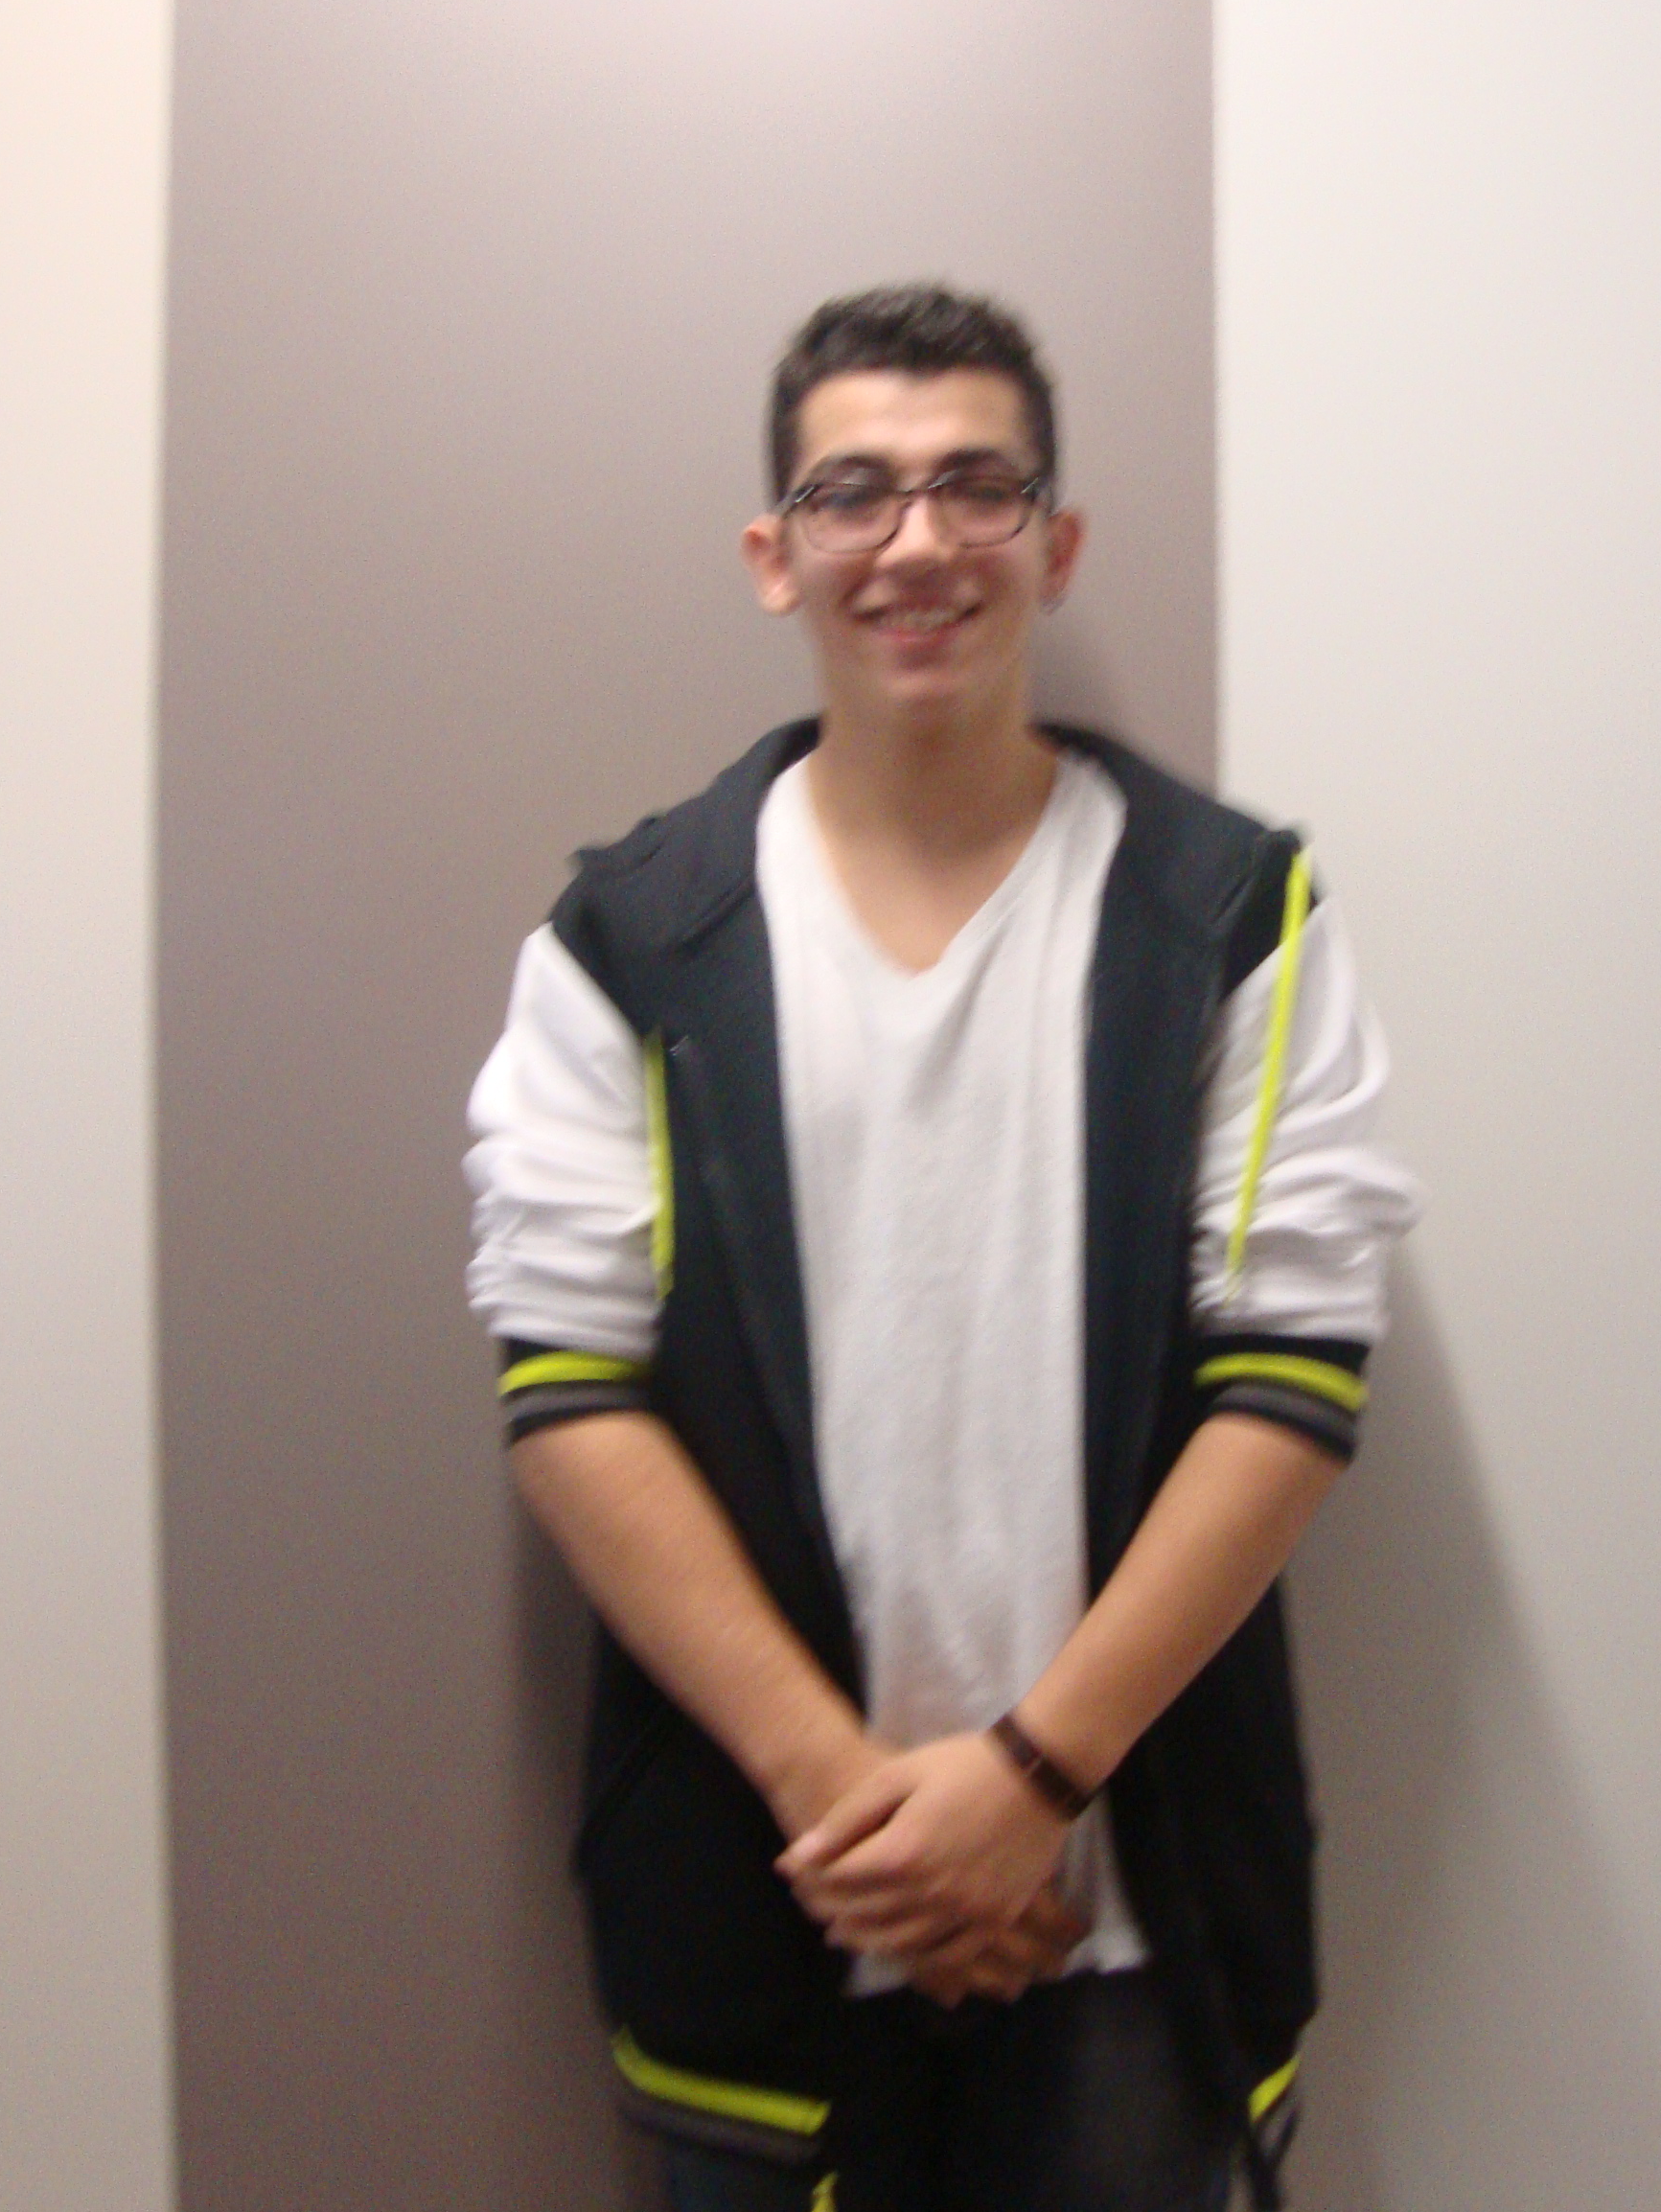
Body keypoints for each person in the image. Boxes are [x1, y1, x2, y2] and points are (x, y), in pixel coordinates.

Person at [465, 285, 1415, 2212]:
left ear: (1056, 546)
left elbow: (1293, 1379)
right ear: (776, 554)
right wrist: (862, 1812)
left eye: (980, 487)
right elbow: (567, 1387)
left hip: (1130, 1910)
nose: (918, 542)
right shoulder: (631, 941)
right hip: (767, 1888)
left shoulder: (1228, 912)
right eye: (856, 493)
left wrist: (1029, 1784)